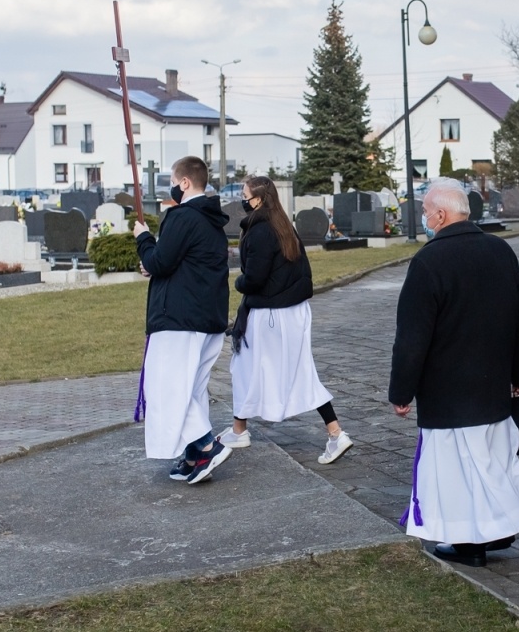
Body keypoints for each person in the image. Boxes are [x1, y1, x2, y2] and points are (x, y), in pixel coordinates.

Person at [390, 177, 519, 568]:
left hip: (448, 392)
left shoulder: (428, 261)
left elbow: (412, 336)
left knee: (456, 474)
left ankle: (468, 542)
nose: (424, 218)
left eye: (425, 212)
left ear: (441, 215)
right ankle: (496, 529)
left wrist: (401, 391)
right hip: (493, 386)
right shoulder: (500, 250)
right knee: (490, 464)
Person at [224, 174, 354, 464]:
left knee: (244, 367)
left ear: (258, 199)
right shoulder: (283, 225)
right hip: (293, 311)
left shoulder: (260, 231)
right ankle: (334, 432)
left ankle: (239, 430)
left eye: (245, 196)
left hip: (270, 313)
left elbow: (255, 278)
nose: (242, 200)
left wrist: (238, 282)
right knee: (299, 371)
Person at [133, 156, 233, 485]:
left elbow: (160, 261)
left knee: (166, 386)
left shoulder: (182, 216)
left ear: (185, 182)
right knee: (191, 388)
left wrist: (143, 238)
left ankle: (206, 445)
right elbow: (180, 261)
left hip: (180, 317)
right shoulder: (212, 220)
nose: (171, 188)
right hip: (206, 315)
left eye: (173, 182)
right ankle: (194, 457)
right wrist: (153, 261)